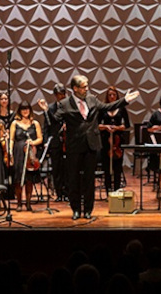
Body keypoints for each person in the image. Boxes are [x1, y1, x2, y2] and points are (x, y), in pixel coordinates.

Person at [41, 75, 139, 220]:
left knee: (89, 179)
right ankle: (75, 210)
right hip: (74, 145)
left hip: (91, 144)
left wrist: (125, 100)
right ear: (75, 89)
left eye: (87, 86)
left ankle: (88, 210)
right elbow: (55, 120)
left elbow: (108, 106)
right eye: (84, 86)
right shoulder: (65, 103)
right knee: (73, 179)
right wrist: (46, 110)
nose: (87, 88)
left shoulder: (92, 99)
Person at [9, 101, 43, 211]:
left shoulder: (35, 123)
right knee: (18, 180)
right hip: (18, 152)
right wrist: (10, 152)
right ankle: (19, 203)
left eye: (27, 109)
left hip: (30, 153)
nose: (25, 111)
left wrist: (32, 142)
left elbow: (40, 139)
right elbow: (12, 139)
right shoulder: (14, 123)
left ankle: (28, 203)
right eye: (23, 109)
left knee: (29, 179)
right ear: (19, 111)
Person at [98, 86, 131, 193]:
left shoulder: (122, 109)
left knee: (117, 167)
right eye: (110, 95)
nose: (112, 97)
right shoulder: (103, 108)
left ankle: (116, 190)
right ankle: (108, 191)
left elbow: (126, 125)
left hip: (117, 141)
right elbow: (97, 125)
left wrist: (117, 128)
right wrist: (106, 127)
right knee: (106, 168)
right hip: (105, 140)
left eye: (114, 95)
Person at [41, 84, 69, 201]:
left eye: (62, 94)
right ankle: (59, 194)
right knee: (56, 169)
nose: (61, 97)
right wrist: (46, 141)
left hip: (68, 142)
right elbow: (47, 127)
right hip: (55, 142)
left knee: (67, 169)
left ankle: (67, 193)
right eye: (58, 95)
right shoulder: (50, 109)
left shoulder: (70, 107)